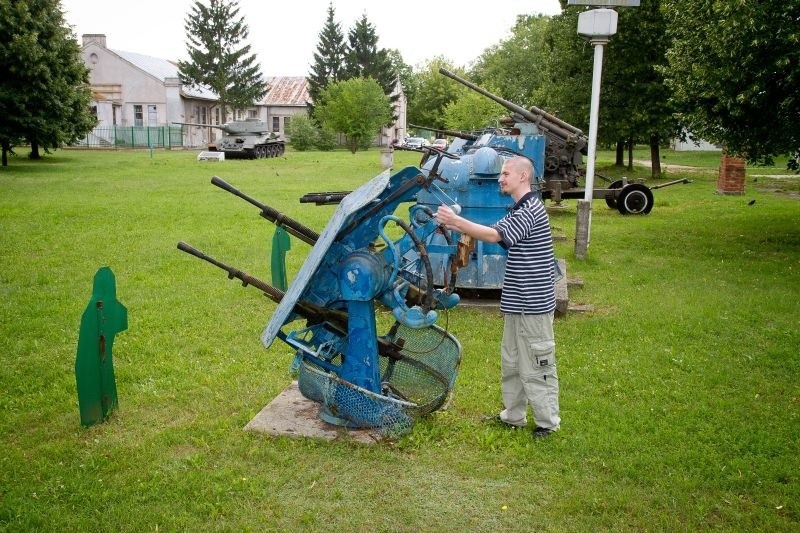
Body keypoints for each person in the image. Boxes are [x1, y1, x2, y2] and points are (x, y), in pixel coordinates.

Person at [435, 155, 560, 439]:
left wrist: (456, 221)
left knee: (538, 363)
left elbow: (493, 236)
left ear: (523, 177)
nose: (500, 178)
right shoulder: (518, 208)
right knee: (513, 361)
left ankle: (547, 423)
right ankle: (513, 415)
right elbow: (494, 231)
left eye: (505, 173)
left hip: (533, 305)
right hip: (517, 302)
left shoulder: (530, 210)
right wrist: (457, 224)